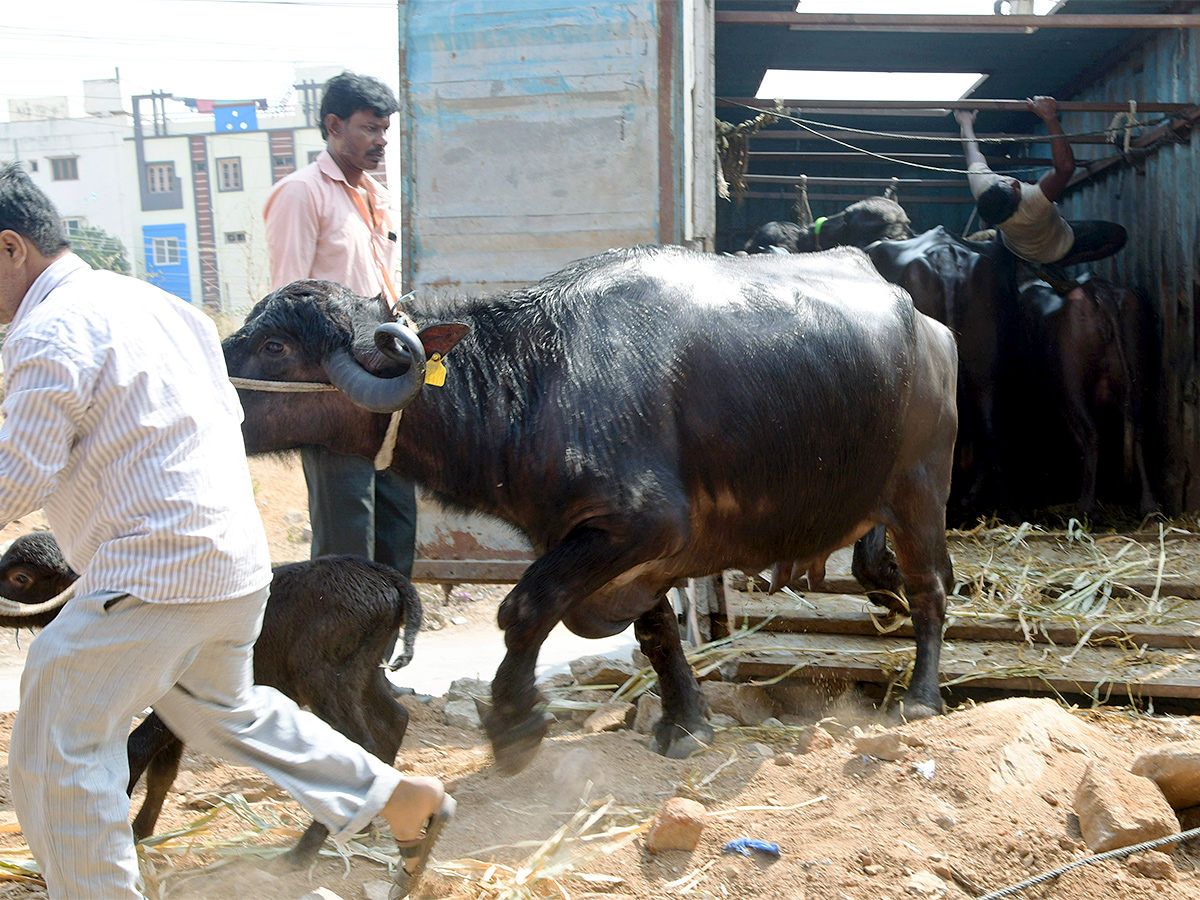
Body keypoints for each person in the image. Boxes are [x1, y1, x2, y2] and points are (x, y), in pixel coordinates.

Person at [0, 162, 452, 900]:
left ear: (11, 247)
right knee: (221, 708)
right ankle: (399, 800)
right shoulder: (156, 304)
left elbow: (18, 476)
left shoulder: (45, 331)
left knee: (59, 742)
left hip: (151, 569)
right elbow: (225, 416)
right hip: (231, 565)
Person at [263, 71, 418, 583]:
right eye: (370, 128)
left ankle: (384, 650)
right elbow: (289, 301)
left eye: (385, 131)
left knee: (398, 524)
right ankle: (336, 654)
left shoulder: (374, 196)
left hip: (383, 379)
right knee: (347, 534)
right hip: (331, 389)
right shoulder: (300, 194)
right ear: (333, 125)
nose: (381, 142)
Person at [955, 96, 1126, 288]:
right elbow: (1066, 168)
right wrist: (1049, 117)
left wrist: (966, 123)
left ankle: (1021, 263)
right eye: (1015, 189)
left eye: (1005, 182)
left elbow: (971, 151)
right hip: (1054, 248)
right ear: (1017, 204)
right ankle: (1056, 265)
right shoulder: (1033, 203)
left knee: (1004, 241)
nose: (1011, 182)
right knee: (1118, 236)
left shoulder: (983, 185)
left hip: (1013, 247)